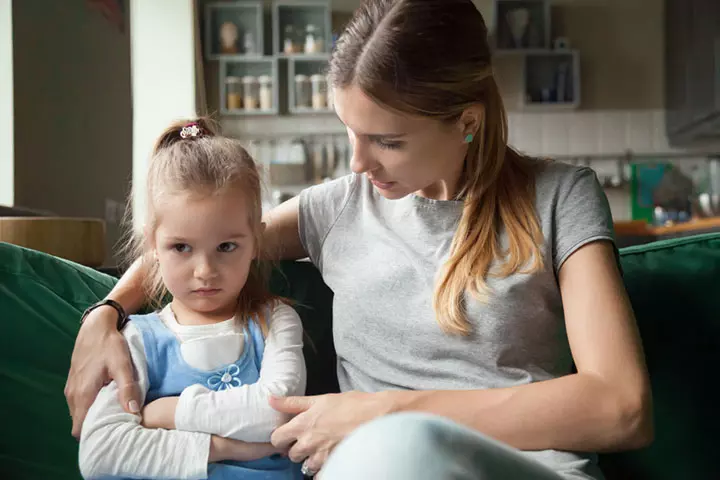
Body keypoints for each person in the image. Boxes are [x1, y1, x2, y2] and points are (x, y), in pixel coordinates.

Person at [66, 0, 653, 478]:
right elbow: (202, 244)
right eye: (349, 132)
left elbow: (622, 408)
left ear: (466, 123)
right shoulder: (337, 208)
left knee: (402, 451)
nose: (358, 162)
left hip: (515, 468)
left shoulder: (560, 197)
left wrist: (383, 414)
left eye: (387, 140)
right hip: (366, 468)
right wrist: (105, 315)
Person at [77, 119, 306, 479]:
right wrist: (226, 448)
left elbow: (278, 411)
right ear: (153, 245)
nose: (205, 271)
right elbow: (99, 452)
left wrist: (168, 414)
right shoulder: (137, 337)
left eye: (227, 247)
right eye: (181, 247)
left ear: (255, 243)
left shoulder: (275, 320)